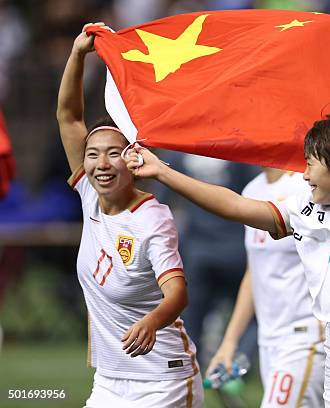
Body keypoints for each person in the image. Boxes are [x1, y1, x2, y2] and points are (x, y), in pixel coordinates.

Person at [125, 114, 330, 407]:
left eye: (311, 164)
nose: (304, 175)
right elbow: (236, 207)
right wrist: (162, 173)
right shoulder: (309, 211)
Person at [57, 23, 202, 407]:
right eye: (93, 154)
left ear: (133, 160)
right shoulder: (90, 196)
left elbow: (178, 292)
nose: (101, 163)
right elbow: (70, 118)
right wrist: (77, 55)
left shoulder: (152, 218)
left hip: (163, 380)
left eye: (113, 153)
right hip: (109, 380)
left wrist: (152, 322)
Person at [206, 168, 325, 407]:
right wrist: (229, 342)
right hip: (269, 340)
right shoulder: (253, 188)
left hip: (306, 338)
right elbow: (254, 272)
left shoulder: (306, 186)